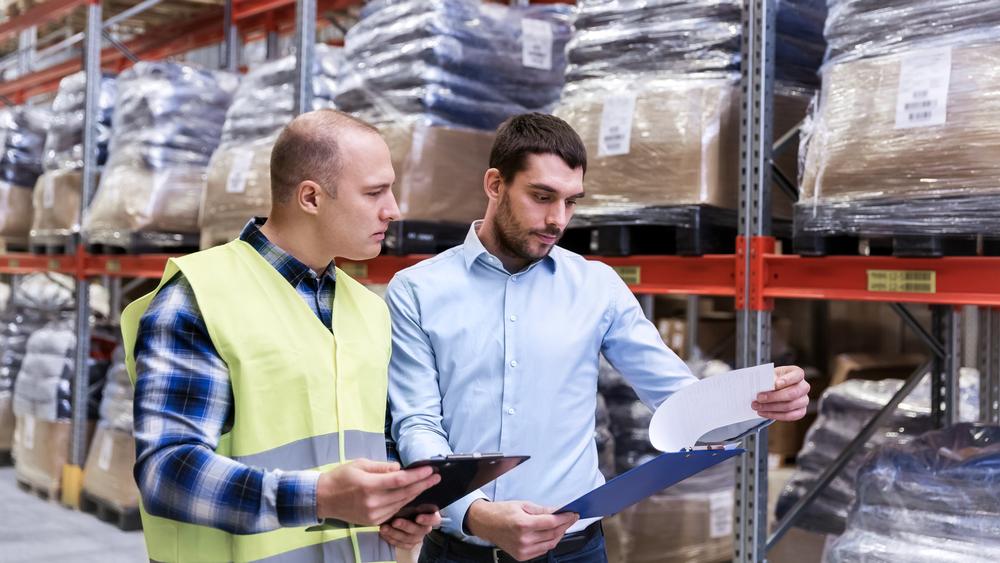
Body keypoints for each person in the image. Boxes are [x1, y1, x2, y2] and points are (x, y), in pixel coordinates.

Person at [386, 113, 811, 563]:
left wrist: (758, 401)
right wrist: (474, 513)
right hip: (459, 551)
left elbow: (681, 402)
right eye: (541, 196)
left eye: (571, 202)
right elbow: (417, 424)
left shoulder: (597, 287)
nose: (557, 220)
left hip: (574, 550)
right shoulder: (417, 290)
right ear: (495, 184)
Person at [122, 109, 442, 563]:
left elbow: (366, 448)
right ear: (310, 197)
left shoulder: (369, 309)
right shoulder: (200, 297)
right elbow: (167, 473)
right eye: (374, 192)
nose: (393, 209)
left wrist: (397, 506)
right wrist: (318, 497)